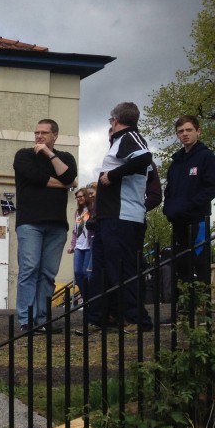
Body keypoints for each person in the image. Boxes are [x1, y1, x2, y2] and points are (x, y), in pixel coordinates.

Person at [86, 102, 154, 332]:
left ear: (115, 120)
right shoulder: (118, 142)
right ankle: (99, 317)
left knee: (123, 269)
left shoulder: (130, 137)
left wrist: (113, 175)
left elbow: (145, 158)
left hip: (122, 216)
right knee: (101, 271)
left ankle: (137, 319)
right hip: (107, 217)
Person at [13, 118, 78, 331]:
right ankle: (26, 320)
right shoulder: (24, 155)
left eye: (44, 133)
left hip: (57, 224)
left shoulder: (65, 157)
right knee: (29, 269)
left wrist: (50, 155)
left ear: (55, 135)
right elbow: (38, 178)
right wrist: (66, 184)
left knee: (48, 274)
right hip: (30, 223)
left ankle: (42, 320)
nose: (39, 136)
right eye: (37, 132)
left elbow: (70, 175)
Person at [163, 114, 215, 297]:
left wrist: (189, 206)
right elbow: (168, 190)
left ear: (198, 131)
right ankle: (185, 307)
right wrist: (168, 209)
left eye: (188, 130)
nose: (185, 134)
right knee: (181, 264)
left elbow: (210, 188)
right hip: (178, 221)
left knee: (200, 263)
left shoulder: (206, 157)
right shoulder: (176, 163)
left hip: (197, 219)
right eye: (180, 131)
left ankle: (201, 306)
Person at [68, 188, 94, 307]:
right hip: (79, 246)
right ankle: (86, 298)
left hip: (88, 245)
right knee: (78, 272)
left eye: (81, 196)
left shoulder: (92, 210)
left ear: (86, 197)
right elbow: (75, 230)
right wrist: (72, 245)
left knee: (86, 272)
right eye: (77, 197)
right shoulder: (77, 212)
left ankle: (91, 299)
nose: (79, 199)